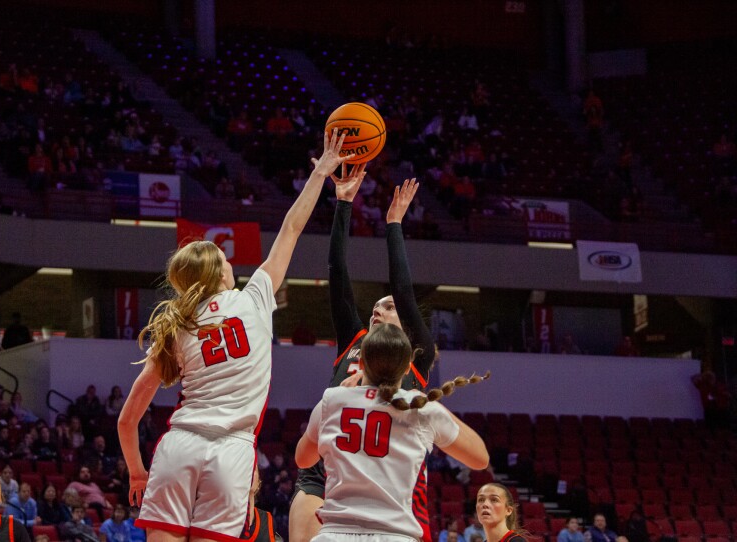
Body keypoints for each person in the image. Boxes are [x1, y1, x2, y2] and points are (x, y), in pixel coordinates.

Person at [118, 128, 350, 541]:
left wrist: (137, 470)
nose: (231, 263)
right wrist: (320, 176)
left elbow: (127, 418)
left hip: (180, 446)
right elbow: (291, 230)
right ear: (218, 272)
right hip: (231, 451)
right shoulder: (253, 297)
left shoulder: (174, 324)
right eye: (225, 259)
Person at [290, 175, 438, 542]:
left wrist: (394, 225)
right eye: (374, 307)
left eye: (386, 308)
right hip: (324, 476)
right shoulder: (354, 340)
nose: (376, 311)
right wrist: (343, 205)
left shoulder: (418, 356)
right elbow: (337, 274)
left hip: (382, 483)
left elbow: (403, 290)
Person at [295, 323, 490, 542]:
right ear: (408, 367)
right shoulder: (419, 408)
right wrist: (430, 403)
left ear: (360, 363)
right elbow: (480, 458)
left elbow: (303, 460)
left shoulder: (332, 399)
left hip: (335, 534)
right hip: (395, 535)